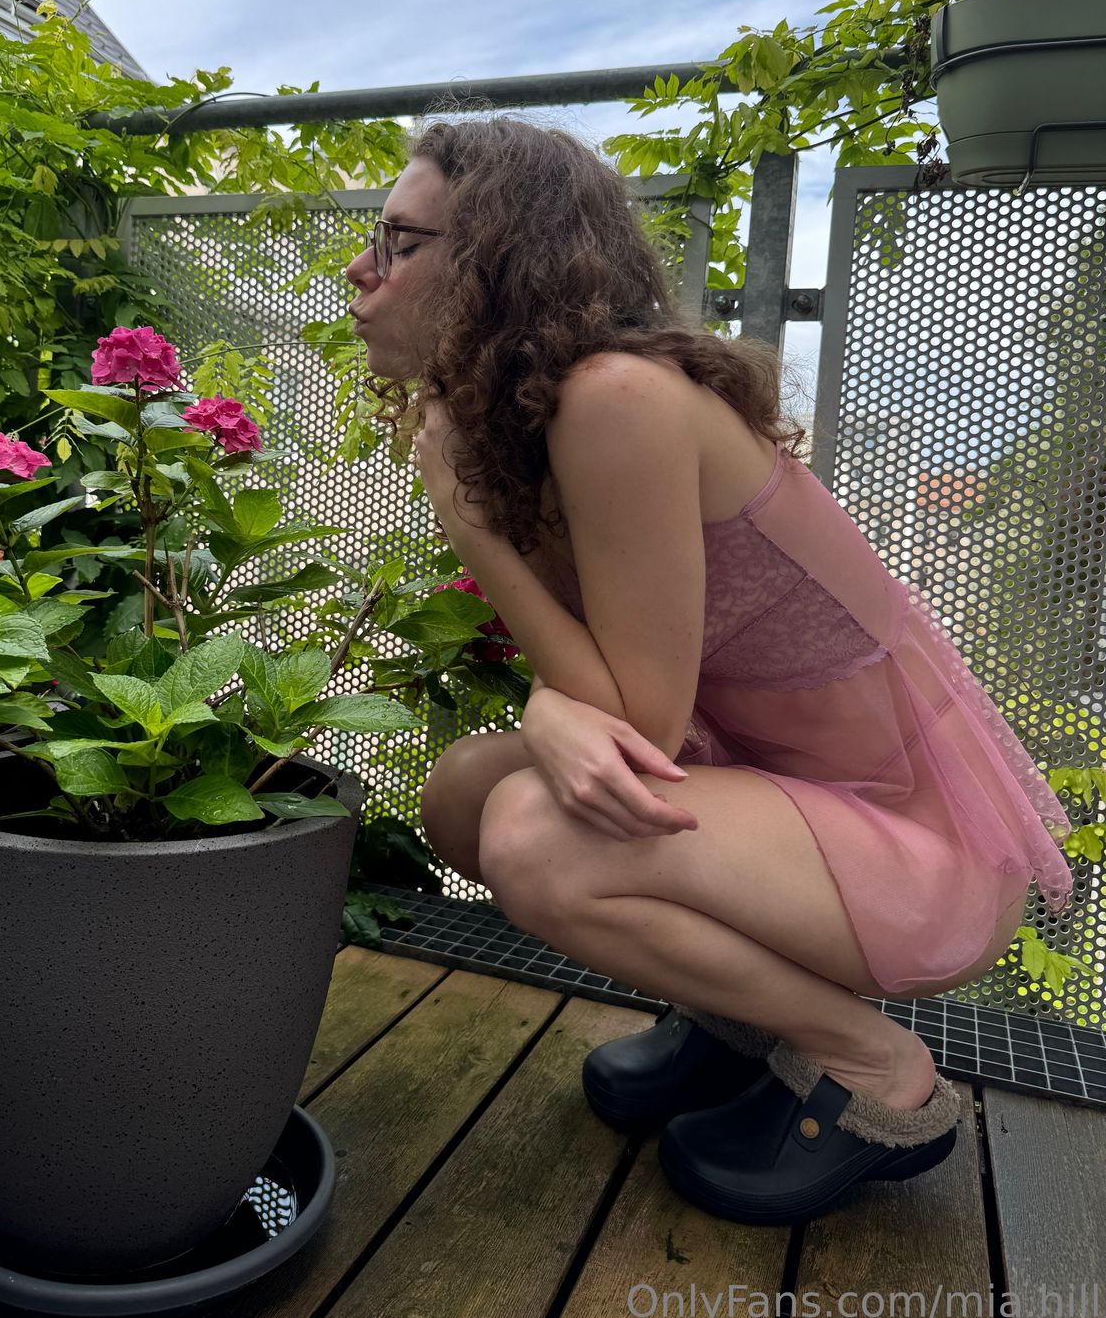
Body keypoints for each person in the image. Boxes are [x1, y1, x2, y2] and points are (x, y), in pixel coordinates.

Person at [342, 112, 1074, 1227]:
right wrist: (549, 707)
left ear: (492, 265)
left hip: (913, 850)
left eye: (398, 241)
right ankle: (743, 1030)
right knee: (461, 795)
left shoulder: (616, 398)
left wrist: (466, 521)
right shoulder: (544, 414)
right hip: (794, 816)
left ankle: (874, 1067)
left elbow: (633, 721)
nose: (363, 269)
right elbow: (620, 698)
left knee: (534, 836)